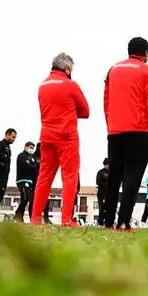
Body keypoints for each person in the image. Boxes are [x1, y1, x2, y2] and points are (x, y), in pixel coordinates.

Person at [103, 37, 148, 232]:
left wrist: (110, 125)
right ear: (146, 53)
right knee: (133, 177)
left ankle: (108, 221)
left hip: (116, 129)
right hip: (139, 130)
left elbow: (106, 100)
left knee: (114, 175)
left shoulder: (113, 69)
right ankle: (124, 222)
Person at [33, 53, 89, 227]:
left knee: (44, 177)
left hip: (47, 135)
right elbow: (85, 111)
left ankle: (35, 218)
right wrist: (71, 112)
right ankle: (66, 219)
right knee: (70, 178)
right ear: (66, 69)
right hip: (67, 136)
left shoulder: (42, 86)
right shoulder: (71, 85)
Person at [13, 141, 38, 223]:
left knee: (27, 199)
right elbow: (26, 166)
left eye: (33, 148)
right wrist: (31, 166)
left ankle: (19, 216)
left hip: (30, 181)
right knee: (25, 198)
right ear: (26, 147)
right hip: (22, 180)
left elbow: (35, 168)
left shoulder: (31, 158)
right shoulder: (22, 156)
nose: (32, 149)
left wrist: (32, 166)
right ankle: (18, 216)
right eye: (30, 147)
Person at [95, 158, 109, 226]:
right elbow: (98, 182)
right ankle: (100, 222)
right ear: (105, 164)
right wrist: (105, 186)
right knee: (102, 207)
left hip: (109, 193)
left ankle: (108, 222)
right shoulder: (100, 172)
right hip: (101, 193)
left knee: (108, 208)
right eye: (107, 164)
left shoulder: (111, 173)